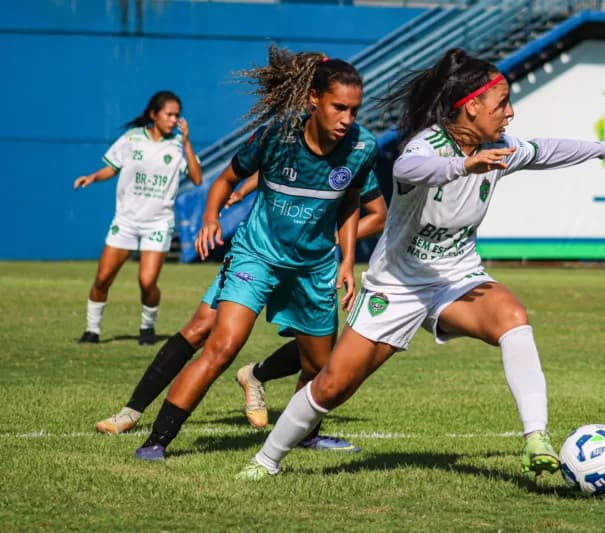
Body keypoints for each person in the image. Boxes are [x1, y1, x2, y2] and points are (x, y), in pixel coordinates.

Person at [236, 48, 605, 480]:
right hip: (396, 284)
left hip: (456, 277)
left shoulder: (498, 147)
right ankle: (265, 461)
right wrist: (464, 164)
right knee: (332, 386)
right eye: (502, 104)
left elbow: (546, 149)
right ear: (471, 106)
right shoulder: (429, 144)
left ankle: (536, 438)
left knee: (512, 317)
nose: (510, 113)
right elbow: (409, 166)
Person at [133, 47, 378, 461]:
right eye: (339, 108)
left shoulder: (362, 145)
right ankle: (156, 440)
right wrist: (211, 217)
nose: (347, 119)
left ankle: (302, 433)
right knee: (222, 344)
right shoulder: (278, 136)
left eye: (354, 110)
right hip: (257, 255)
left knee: (320, 366)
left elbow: (351, 202)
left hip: (313, 267)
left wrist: (347, 262)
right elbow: (225, 179)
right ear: (313, 99)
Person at [95, 170, 386, 453]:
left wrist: (323, 237)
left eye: (351, 115)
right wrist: (242, 192)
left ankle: (278, 401)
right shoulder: (290, 142)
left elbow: (378, 216)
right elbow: (269, 167)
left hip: (307, 266)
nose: (345, 120)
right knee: (202, 329)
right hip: (256, 254)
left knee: (317, 355)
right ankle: (131, 412)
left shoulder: (354, 155)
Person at [74, 91, 202, 345]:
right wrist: (92, 177)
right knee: (102, 279)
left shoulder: (178, 145)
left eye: (177, 115)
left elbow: (198, 179)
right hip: (127, 221)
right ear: (154, 115)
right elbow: (112, 167)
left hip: (158, 222)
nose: (174, 119)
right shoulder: (132, 139)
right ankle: (92, 330)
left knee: (147, 281)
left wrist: (187, 143)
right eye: (169, 114)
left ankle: (147, 328)